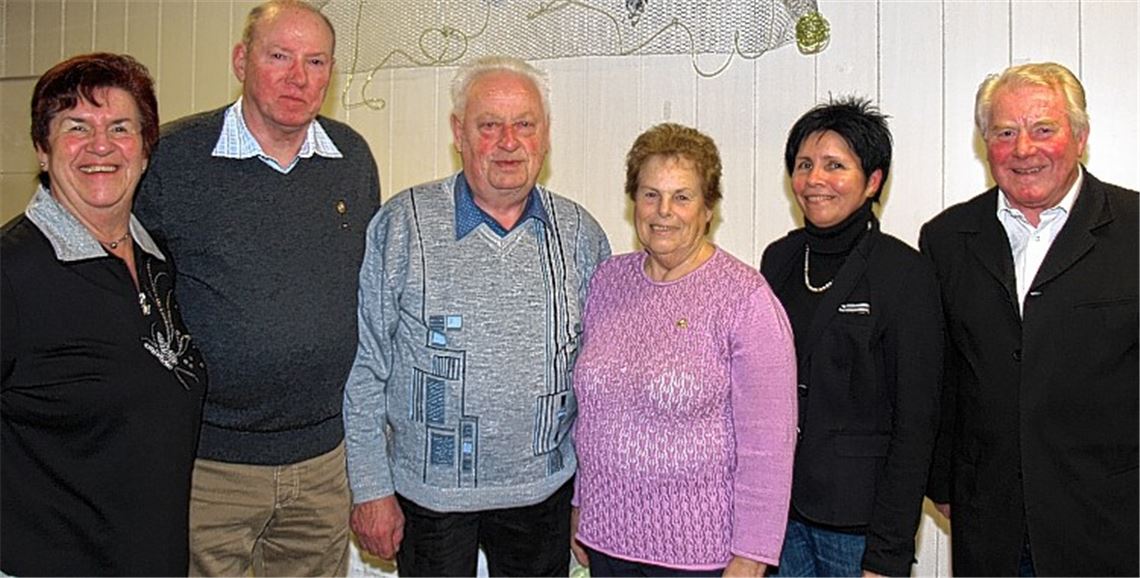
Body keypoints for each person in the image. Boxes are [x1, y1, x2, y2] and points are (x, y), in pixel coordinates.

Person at [133, 1, 381, 575]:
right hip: (210, 466)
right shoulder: (172, 158)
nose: (299, 77)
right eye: (279, 56)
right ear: (242, 60)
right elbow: (130, 293)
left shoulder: (351, 159)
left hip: (323, 462)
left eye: (316, 61)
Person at [343, 55, 610, 577]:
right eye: (489, 125)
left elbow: (598, 384)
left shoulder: (581, 234)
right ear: (458, 133)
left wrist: (591, 496)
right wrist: (371, 488)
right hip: (430, 497)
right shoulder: (403, 226)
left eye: (525, 124)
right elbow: (365, 367)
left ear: (546, 135)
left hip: (544, 493)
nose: (509, 141)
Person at [922, 62, 1138, 577]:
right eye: (1005, 133)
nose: (1024, 149)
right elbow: (941, 373)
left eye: (1044, 129)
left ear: (1080, 137)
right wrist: (946, 483)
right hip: (990, 526)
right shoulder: (947, 239)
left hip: (1112, 524)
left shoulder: (1136, 232)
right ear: (985, 144)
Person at [1, 53, 207, 576]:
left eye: (120, 127)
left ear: (143, 151)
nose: (100, 146)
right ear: (43, 151)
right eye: (76, 128)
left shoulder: (155, 259)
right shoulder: (13, 271)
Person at [571, 122, 798, 577]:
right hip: (605, 542)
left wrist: (752, 555)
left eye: (682, 197)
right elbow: (593, 416)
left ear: (709, 208)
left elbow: (769, 446)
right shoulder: (607, 282)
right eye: (650, 194)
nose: (663, 212)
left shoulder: (745, 299)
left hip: (700, 556)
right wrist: (580, 505)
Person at [759, 97, 943, 577]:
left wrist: (888, 552)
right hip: (781, 513)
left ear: (873, 180)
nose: (815, 179)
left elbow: (916, 424)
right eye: (804, 165)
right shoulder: (777, 260)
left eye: (835, 165)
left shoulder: (904, 273)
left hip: (860, 527)